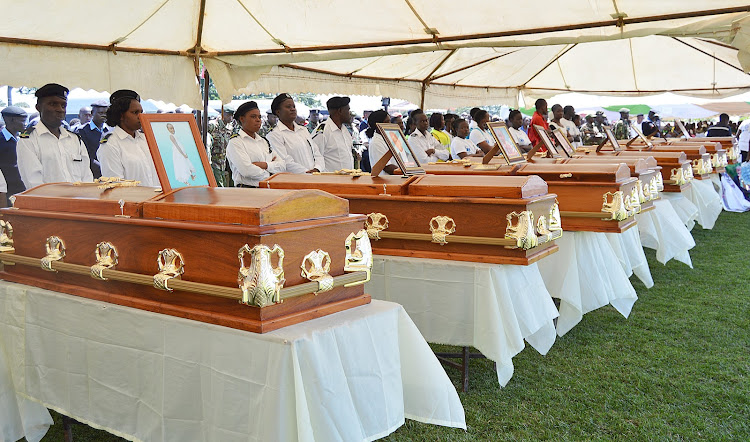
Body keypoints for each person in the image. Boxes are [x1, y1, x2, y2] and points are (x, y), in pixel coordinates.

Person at [17, 83, 93, 189]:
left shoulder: (75, 139)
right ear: (38, 107)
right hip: (48, 204)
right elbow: (34, 183)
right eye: (53, 104)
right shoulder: (28, 140)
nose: (60, 109)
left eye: (63, 105)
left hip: (79, 202)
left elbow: (87, 178)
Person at [97, 89, 159, 187]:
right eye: (135, 112)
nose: (140, 116)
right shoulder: (110, 145)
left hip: (157, 199)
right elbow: (116, 186)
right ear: (121, 115)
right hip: (133, 201)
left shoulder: (147, 139)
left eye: (141, 112)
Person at [226, 101, 286, 188]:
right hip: (247, 190)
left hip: (267, 189)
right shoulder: (236, 142)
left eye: (259, 117)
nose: (258, 120)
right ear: (242, 119)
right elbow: (246, 170)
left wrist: (264, 165)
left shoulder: (264, 141)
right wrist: (271, 172)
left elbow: (282, 166)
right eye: (253, 117)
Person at [266, 93, 325, 174]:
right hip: (294, 181)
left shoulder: (303, 130)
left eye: (294, 106)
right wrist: (307, 173)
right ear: (278, 112)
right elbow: (285, 162)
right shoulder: (274, 135)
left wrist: (317, 168)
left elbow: (317, 153)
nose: (293, 109)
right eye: (288, 107)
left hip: (315, 177)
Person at [313, 96, 354, 172]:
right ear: (340, 111)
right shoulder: (323, 131)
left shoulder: (344, 130)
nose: (350, 114)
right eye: (348, 110)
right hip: (331, 180)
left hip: (347, 180)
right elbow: (314, 156)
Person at [75, 99, 109, 178]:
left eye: (106, 113)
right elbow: (85, 156)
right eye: (100, 113)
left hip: (109, 173)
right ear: (92, 113)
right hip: (92, 175)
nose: (103, 115)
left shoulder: (110, 130)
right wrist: (103, 168)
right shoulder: (82, 131)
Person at [0, 106, 28, 203]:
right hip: (7, 191)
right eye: (23, 121)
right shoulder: (1, 140)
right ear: (12, 120)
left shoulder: (23, 139)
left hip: (23, 188)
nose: (26, 124)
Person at [207, 107, 238, 186]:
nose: (231, 118)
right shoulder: (213, 125)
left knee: (224, 184)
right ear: (223, 114)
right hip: (213, 162)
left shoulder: (229, 128)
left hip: (223, 163)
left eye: (232, 115)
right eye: (229, 115)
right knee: (219, 186)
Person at [365, 110, 399, 175]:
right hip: (385, 182)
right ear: (378, 125)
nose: (390, 124)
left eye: (390, 121)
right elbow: (387, 167)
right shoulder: (376, 143)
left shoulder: (390, 138)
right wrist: (404, 172)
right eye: (386, 122)